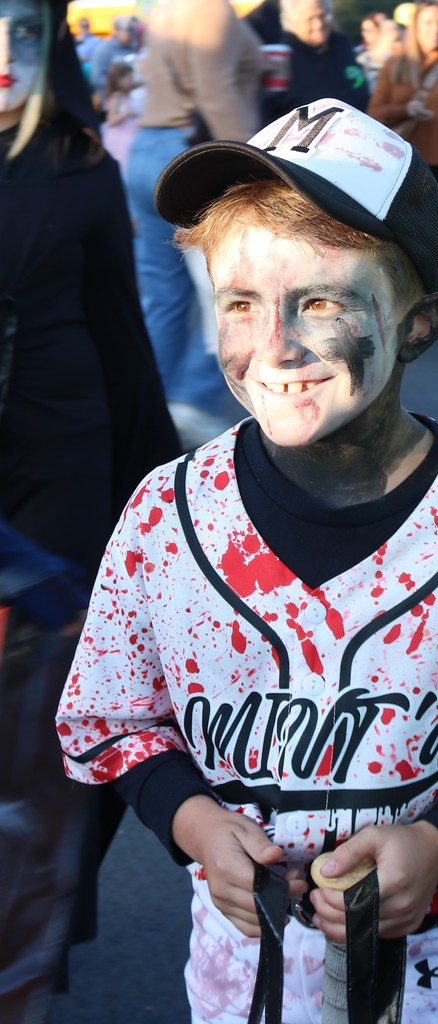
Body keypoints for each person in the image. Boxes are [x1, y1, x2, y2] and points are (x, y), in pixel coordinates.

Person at [57, 97, 438, 1024]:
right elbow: (112, 719)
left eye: (320, 300)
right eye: (241, 303)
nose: (274, 346)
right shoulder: (165, 516)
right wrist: (192, 823)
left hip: (436, 963)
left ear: (419, 322)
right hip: (239, 959)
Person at [0, 1, 179, 1020]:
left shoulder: (80, 165)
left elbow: (123, 347)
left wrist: (171, 527)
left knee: (51, 720)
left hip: (60, 471)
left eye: (17, 32)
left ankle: (36, 934)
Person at [126, 0, 263, 450]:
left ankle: (151, 403)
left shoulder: (168, 9)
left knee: (163, 296)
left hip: (149, 145)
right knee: (224, 291)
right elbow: (216, 91)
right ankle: (194, 399)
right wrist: (260, 165)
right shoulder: (209, 10)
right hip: (190, 154)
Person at [368, 1, 438, 218]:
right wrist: (405, 109)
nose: (436, 29)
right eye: (428, 23)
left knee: (436, 232)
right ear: (415, 27)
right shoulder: (396, 64)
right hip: (400, 164)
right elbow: (375, 114)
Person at [262, 0, 370, 121]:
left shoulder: (341, 43)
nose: (319, 24)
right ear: (291, 22)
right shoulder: (281, 55)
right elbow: (271, 108)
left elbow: (358, 82)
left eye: (323, 15)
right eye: (310, 19)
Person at [89, 14, 138, 114]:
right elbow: (97, 78)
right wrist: (120, 86)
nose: (133, 34)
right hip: (113, 108)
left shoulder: (135, 48)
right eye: (129, 30)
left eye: (134, 31)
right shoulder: (103, 50)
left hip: (133, 105)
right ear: (117, 31)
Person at [101, 58, 139, 176]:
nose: (131, 81)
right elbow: (111, 120)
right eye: (129, 78)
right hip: (120, 139)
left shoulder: (126, 94)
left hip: (129, 134)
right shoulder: (115, 98)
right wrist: (126, 113)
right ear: (118, 80)